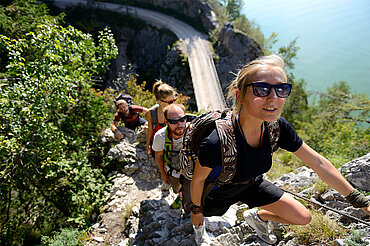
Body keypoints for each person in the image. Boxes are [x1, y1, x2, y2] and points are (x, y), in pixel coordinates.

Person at [190, 54, 370, 244]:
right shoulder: (216, 141)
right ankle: (199, 234)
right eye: (261, 89)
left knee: (303, 218)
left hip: (252, 184)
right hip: (218, 193)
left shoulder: (276, 128)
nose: (273, 98)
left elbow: (317, 162)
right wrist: (196, 211)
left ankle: (259, 217)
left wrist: (361, 202)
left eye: (281, 89)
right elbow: (198, 179)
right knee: (205, 217)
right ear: (239, 95)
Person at [152, 103, 191, 213]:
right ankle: (181, 195)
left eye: (182, 119)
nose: (179, 124)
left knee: (191, 193)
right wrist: (163, 174)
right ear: (166, 122)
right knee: (177, 189)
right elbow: (158, 156)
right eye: (174, 121)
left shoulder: (194, 131)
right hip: (173, 170)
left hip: (192, 169)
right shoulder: (161, 137)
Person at [146, 80, 178, 156]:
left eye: (174, 100)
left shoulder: (176, 111)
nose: (173, 103)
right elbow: (150, 129)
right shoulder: (151, 113)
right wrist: (148, 146)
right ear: (160, 102)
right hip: (158, 143)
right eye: (170, 102)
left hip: (172, 143)